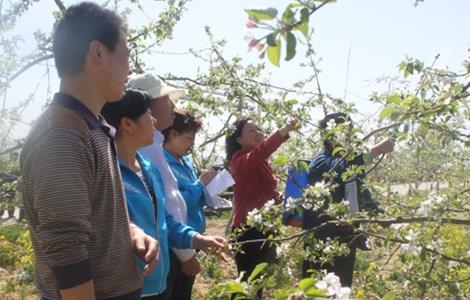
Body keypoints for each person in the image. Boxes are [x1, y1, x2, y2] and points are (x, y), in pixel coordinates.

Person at [19, 3, 158, 300]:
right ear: (98, 52)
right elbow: (65, 244)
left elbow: (92, 216)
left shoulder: (90, 127)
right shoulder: (62, 135)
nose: (129, 67)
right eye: (127, 55)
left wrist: (131, 233)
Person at [101, 89, 226, 300]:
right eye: (147, 114)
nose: (153, 120)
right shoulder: (107, 173)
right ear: (128, 124)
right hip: (128, 288)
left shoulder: (148, 168)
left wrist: (196, 239)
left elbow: (164, 220)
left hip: (159, 283)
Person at [127, 73, 202, 299]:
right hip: (163, 252)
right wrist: (186, 253)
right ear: (148, 106)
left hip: (169, 249)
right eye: (165, 99)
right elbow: (164, 208)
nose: (172, 105)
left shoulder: (155, 145)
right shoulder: (146, 148)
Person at [303, 112, 395, 286]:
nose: (349, 137)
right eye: (344, 132)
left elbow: (362, 192)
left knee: (343, 285)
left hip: (347, 234)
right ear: (329, 135)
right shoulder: (322, 161)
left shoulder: (349, 165)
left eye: (351, 132)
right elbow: (338, 169)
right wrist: (375, 151)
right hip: (324, 235)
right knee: (320, 287)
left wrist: (379, 214)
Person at [225, 117, 299, 294]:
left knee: (258, 284)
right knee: (246, 284)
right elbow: (262, 151)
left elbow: (261, 191)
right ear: (238, 139)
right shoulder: (240, 160)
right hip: (248, 230)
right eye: (251, 131)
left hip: (265, 228)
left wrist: (275, 197)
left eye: (259, 129)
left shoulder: (261, 164)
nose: (258, 134)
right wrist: (283, 131)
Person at [161, 110, 216, 299]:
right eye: (189, 138)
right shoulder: (162, 163)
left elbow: (196, 199)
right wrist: (200, 184)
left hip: (193, 238)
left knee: (185, 291)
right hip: (177, 245)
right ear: (172, 134)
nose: (192, 143)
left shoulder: (185, 161)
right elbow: (177, 203)